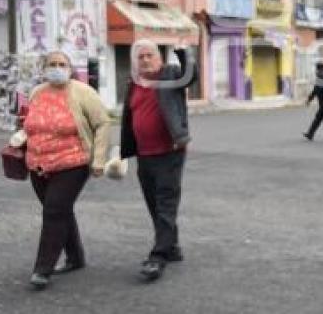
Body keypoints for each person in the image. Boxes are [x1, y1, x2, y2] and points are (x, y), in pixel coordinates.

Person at [23, 49, 111, 290]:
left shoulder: (83, 92)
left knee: (54, 211)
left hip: (72, 162)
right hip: (38, 164)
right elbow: (28, 123)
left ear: (70, 68)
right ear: (44, 68)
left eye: (62, 64)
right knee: (60, 211)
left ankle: (43, 268)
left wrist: (99, 159)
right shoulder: (36, 93)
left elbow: (102, 123)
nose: (57, 67)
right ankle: (75, 257)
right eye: (52, 63)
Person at [120, 39, 196, 282]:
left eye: (149, 55)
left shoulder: (170, 75)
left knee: (165, 204)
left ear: (159, 58)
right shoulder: (133, 84)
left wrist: (183, 52)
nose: (145, 60)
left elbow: (191, 76)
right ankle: (171, 247)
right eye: (140, 57)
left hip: (169, 152)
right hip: (145, 155)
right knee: (155, 205)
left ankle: (158, 256)